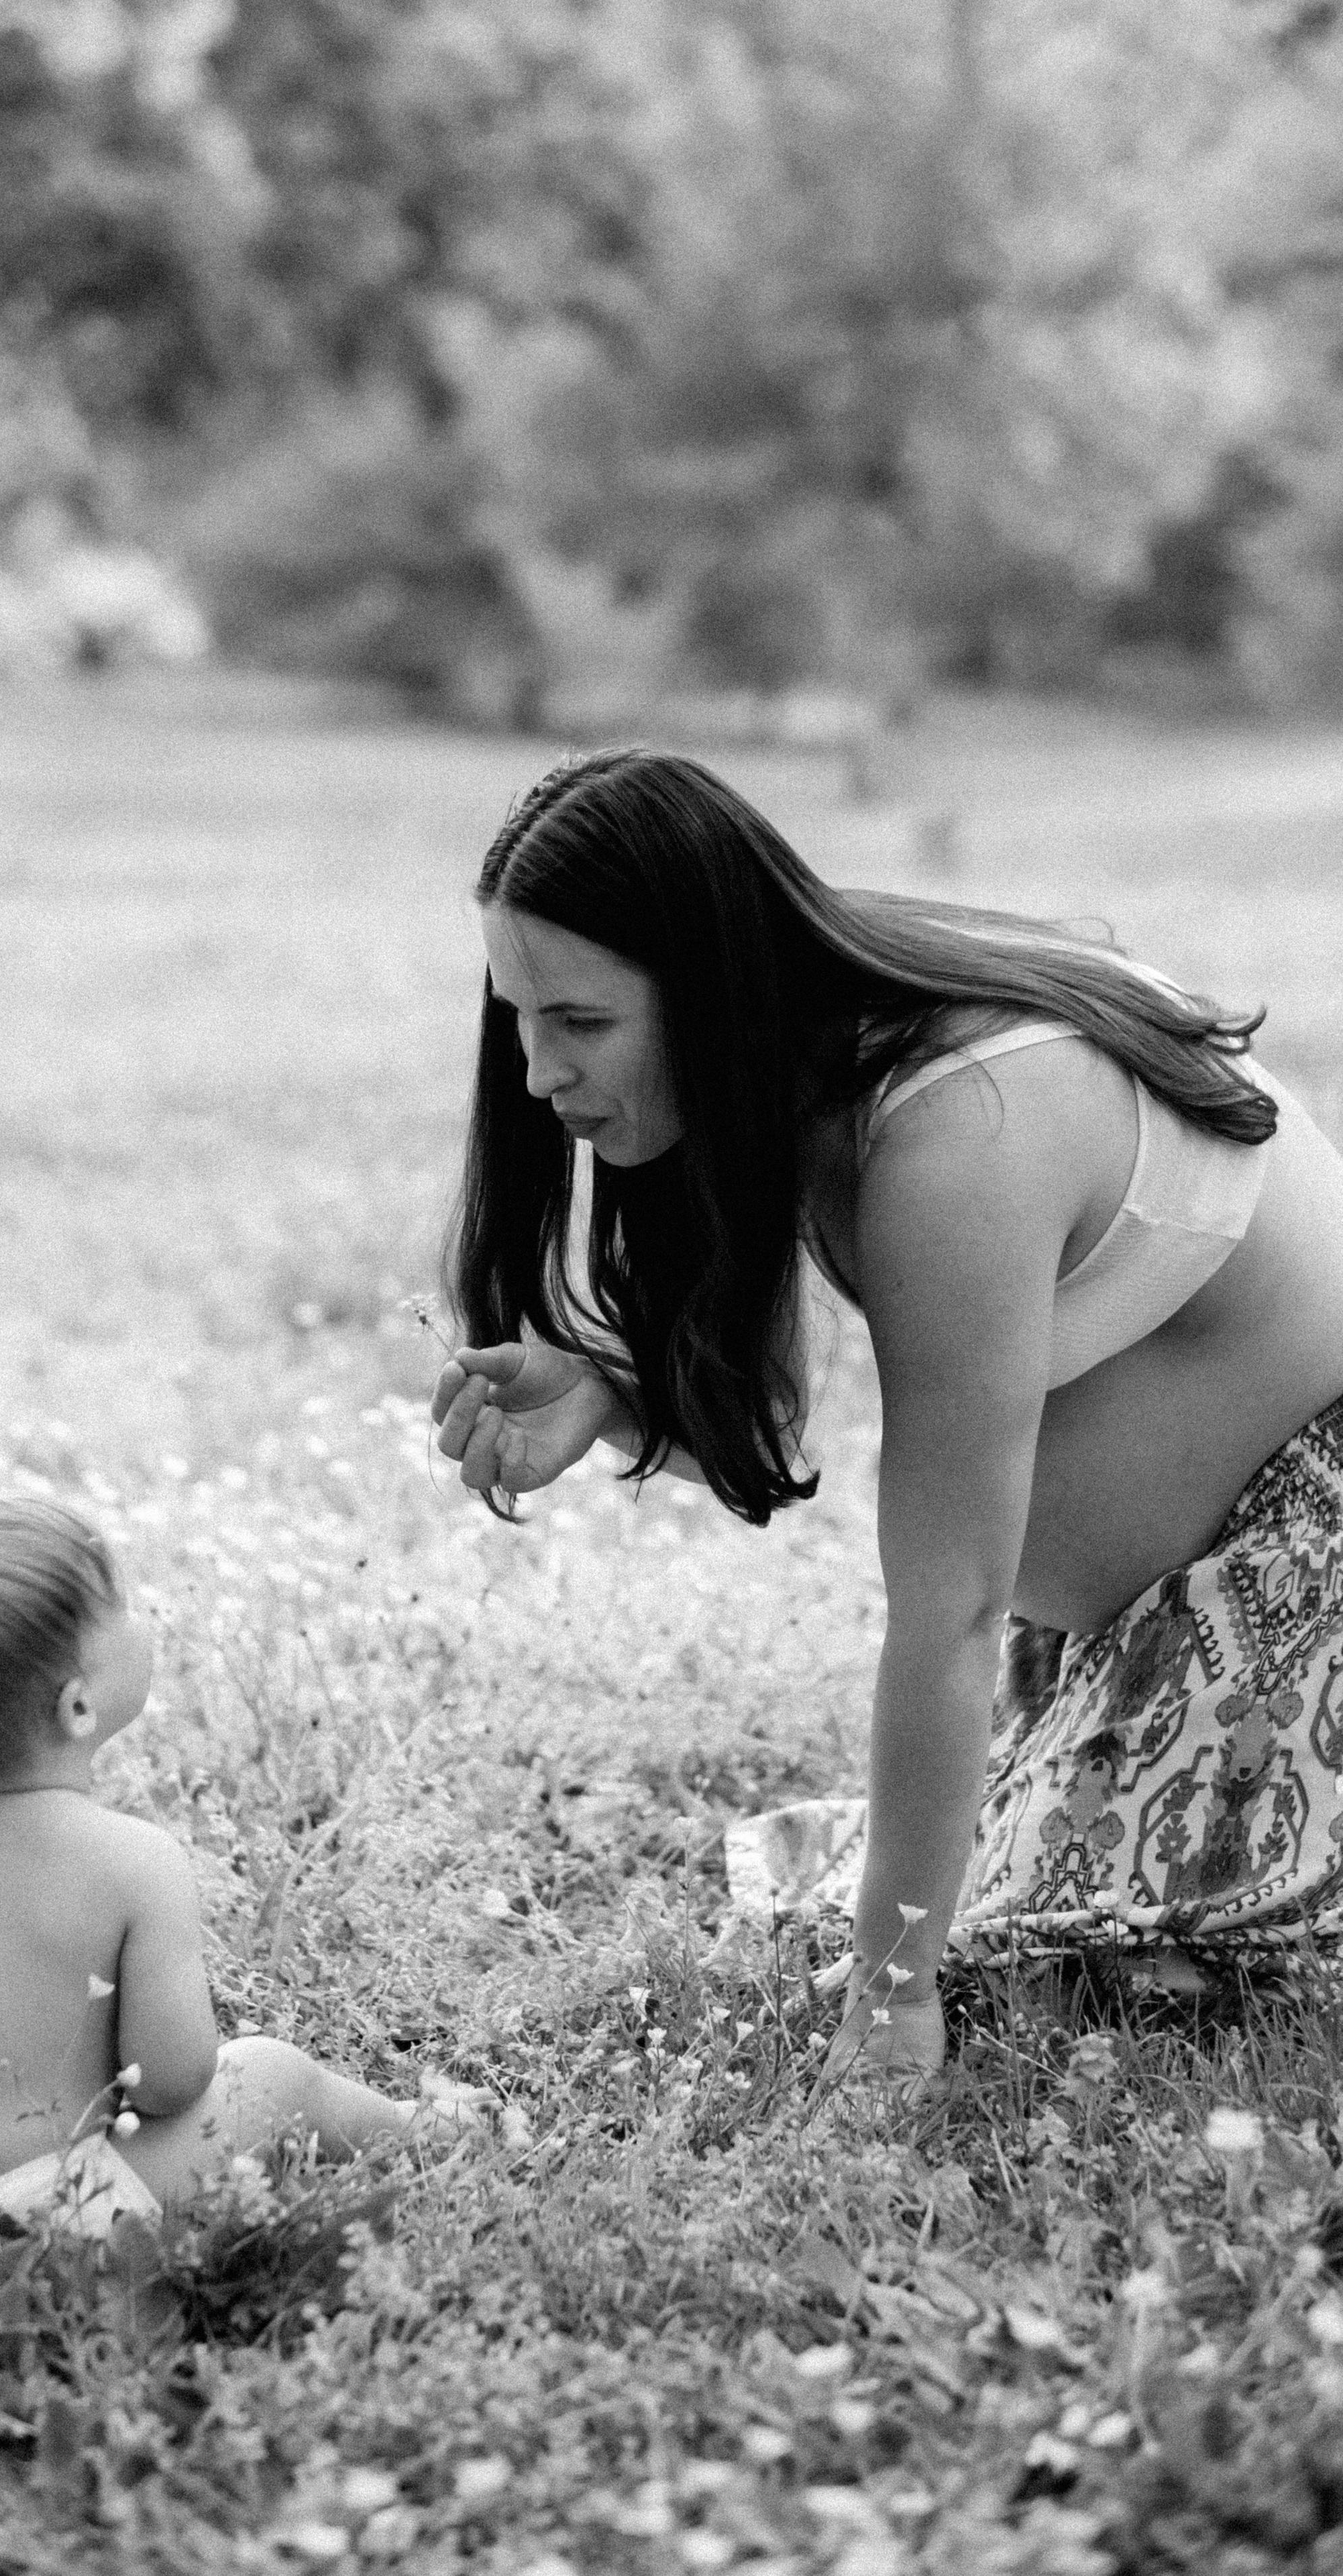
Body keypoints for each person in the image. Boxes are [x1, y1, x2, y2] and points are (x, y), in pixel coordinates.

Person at [429, 749, 1343, 2080]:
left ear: (709, 990)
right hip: (1154, 1616)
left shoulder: (953, 1133)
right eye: (516, 1016)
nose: (533, 1074)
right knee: (1017, 1902)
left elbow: (950, 1606)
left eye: (578, 1022)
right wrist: (612, 1405)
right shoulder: (810, 1062)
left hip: (1306, 1590)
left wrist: (891, 2000)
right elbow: (786, 1444)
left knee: (1106, 1941)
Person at [0, 1495, 440, 2217]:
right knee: (272, 2075)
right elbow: (169, 2082)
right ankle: (420, 2133)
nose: (143, 1617)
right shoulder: (132, 1862)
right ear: (77, 1706)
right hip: (32, 2223)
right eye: (124, 1604)